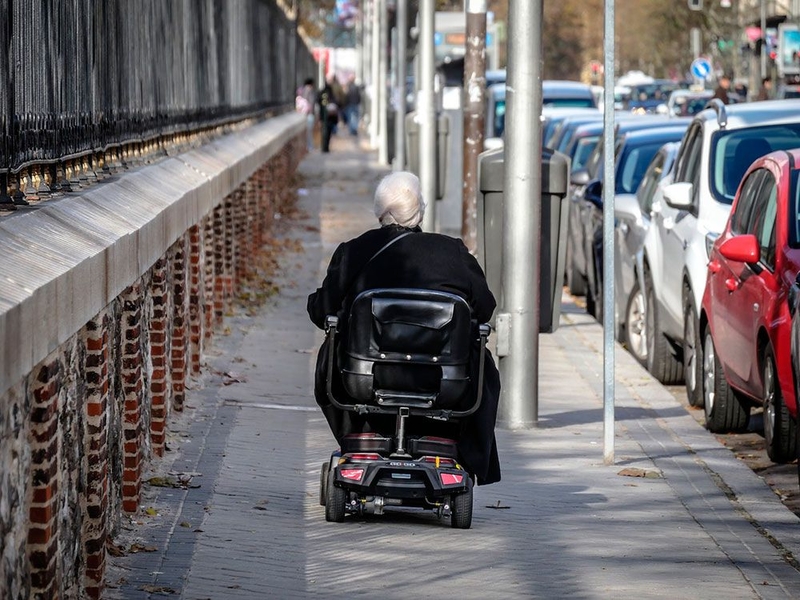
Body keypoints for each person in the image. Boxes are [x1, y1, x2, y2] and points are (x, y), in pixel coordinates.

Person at [307, 171, 502, 485]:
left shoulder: (354, 251)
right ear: (421, 210)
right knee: (483, 362)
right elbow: (485, 307)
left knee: (331, 350)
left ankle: (362, 433)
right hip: (444, 383)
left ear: (379, 212)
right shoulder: (453, 252)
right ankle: (459, 448)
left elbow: (322, 311)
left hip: (365, 379)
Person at [316, 77, 339, 153]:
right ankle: (326, 146)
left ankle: (324, 146)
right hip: (329, 116)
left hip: (324, 115)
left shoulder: (322, 92)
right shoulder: (330, 92)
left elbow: (318, 102)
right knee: (328, 132)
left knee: (324, 131)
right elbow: (335, 101)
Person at [295, 77, 316, 151]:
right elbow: (311, 102)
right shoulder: (309, 91)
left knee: (308, 131)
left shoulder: (302, 90)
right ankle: (309, 146)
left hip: (304, 113)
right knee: (309, 131)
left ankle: (309, 146)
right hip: (309, 113)